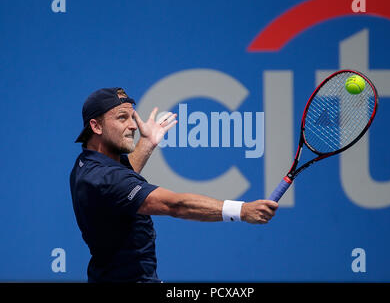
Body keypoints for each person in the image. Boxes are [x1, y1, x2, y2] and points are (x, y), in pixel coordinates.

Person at [70, 87, 278, 283]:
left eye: (132, 117)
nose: (133, 125)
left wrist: (147, 143)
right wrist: (242, 210)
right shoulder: (107, 178)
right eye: (122, 118)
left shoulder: (88, 165)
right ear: (96, 126)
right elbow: (176, 205)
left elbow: (121, 184)